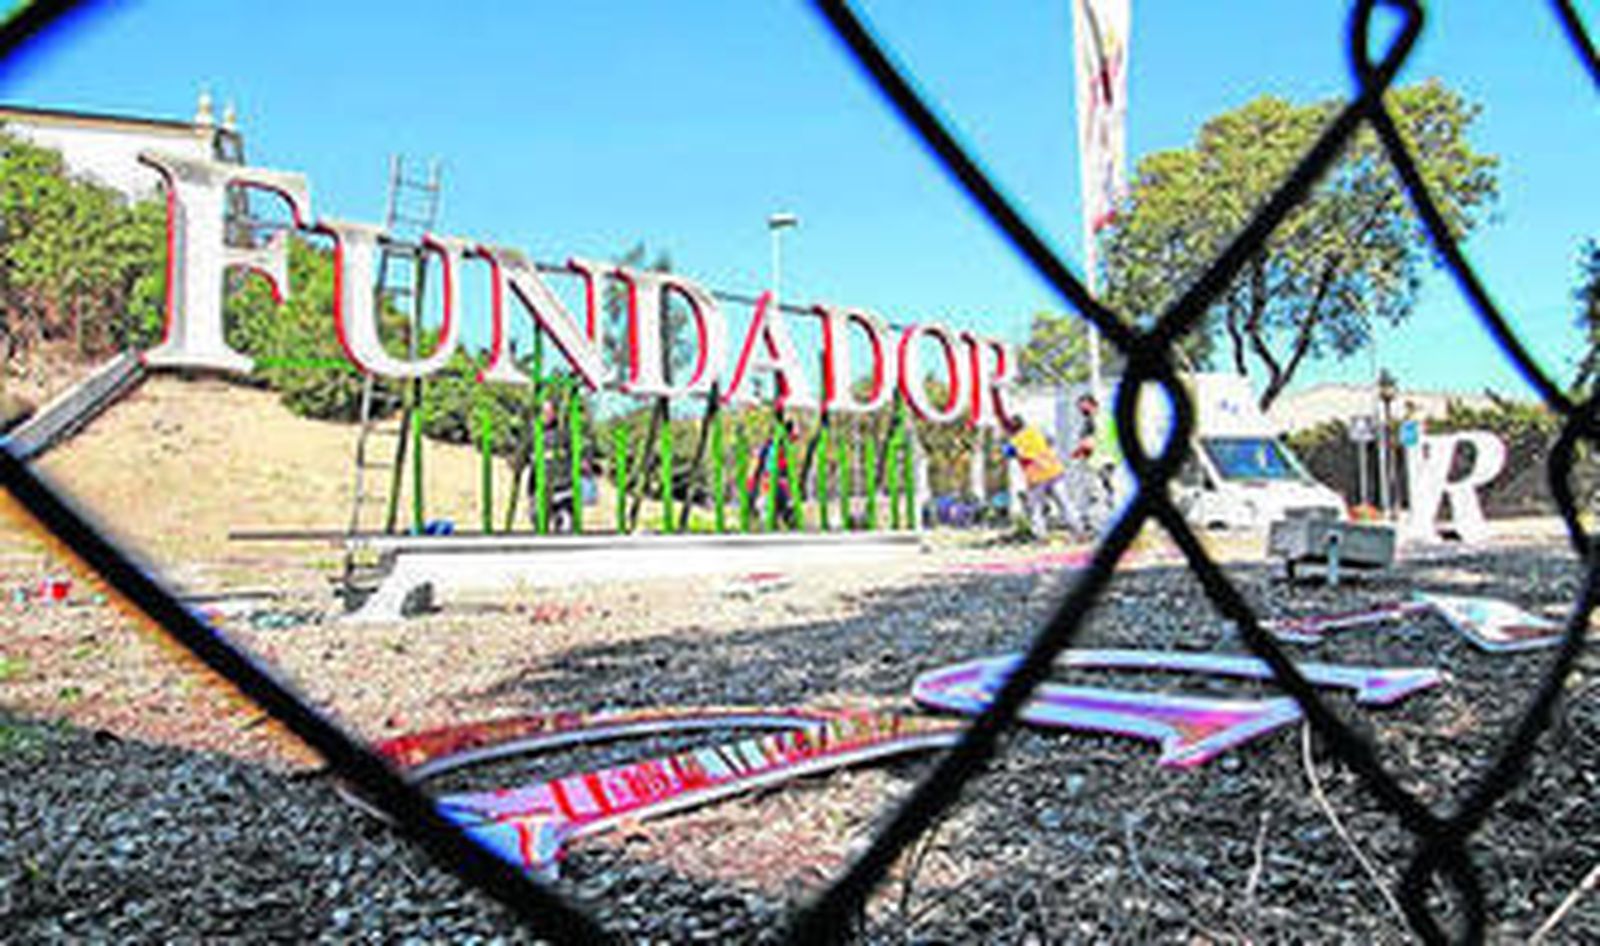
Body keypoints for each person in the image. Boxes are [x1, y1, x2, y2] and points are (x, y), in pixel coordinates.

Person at [1002, 412, 1084, 537]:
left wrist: (1007, 442)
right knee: (1065, 503)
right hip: (1054, 471)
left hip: (1037, 477)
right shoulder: (1036, 431)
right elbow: (1051, 441)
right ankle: (1078, 529)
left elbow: (1007, 453)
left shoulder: (1015, 441)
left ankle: (1041, 535)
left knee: (1036, 509)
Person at [748, 417, 799, 528]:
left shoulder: (779, 447)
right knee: (777, 512)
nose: (795, 440)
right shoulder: (774, 448)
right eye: (793, 436)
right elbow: (764, 469)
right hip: (771, 487)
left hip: (774, 487)